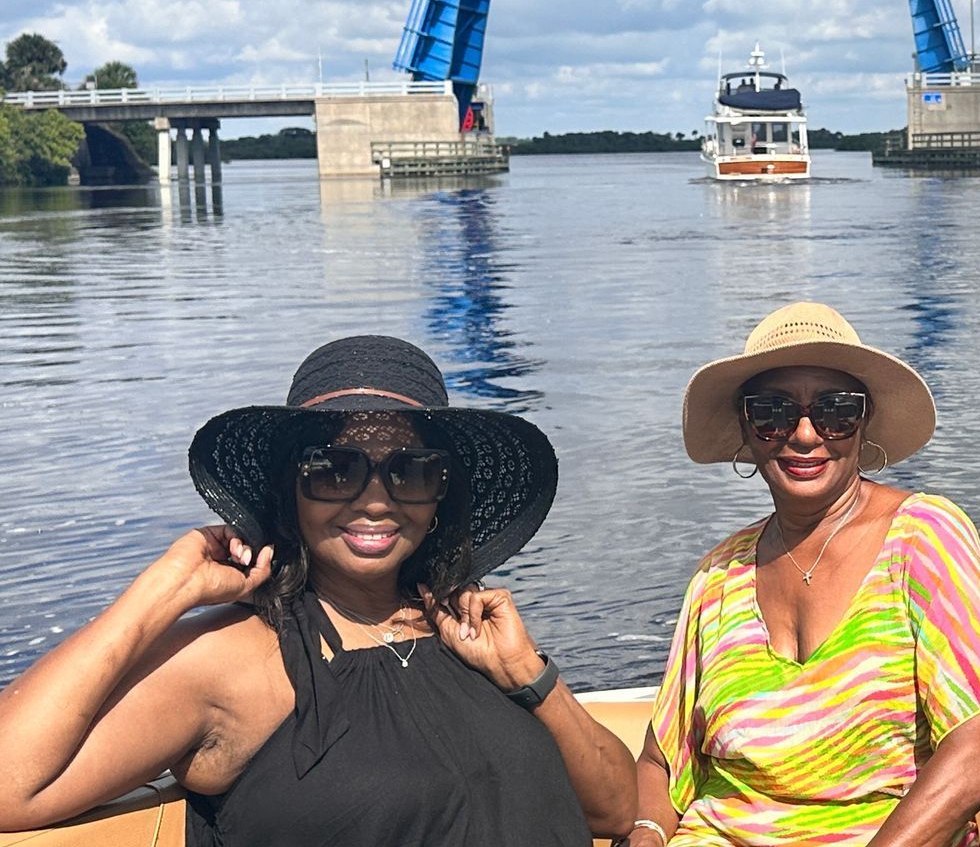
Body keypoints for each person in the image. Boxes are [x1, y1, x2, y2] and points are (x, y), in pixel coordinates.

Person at [0, 335, 638, 844]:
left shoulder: (471, 635)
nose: (376, 501)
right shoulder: (236, 660)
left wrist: (528, 674)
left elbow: (615, 811)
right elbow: (9, 784)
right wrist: (161, 592)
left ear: (442, 494)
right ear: (290, 489)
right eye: (335, 469)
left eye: (411, 471)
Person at [632, 302, 980, 847]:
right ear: (748, 432)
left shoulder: (924, 537)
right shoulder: (718, 574)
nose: (803, 434)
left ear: (863, 422)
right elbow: (663, 760)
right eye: (773, 412)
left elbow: (978, 755)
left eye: (835, 410)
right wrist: (647, 832)